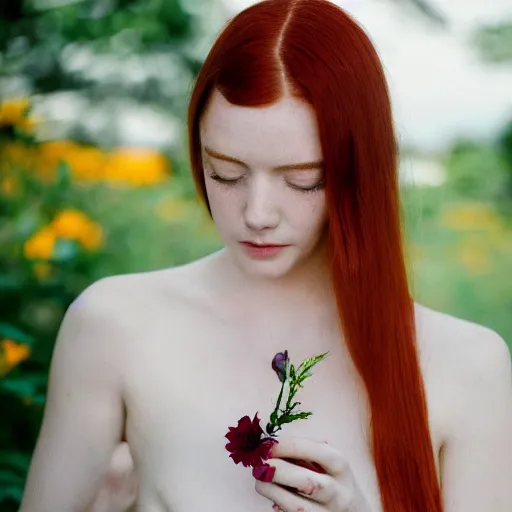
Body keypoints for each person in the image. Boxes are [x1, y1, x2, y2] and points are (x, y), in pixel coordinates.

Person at [19, 0, 512, 511]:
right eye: (226, 173)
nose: (257, 214)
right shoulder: (116, 325)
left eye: (303, 180)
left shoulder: (469, 367)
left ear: (359, 171)